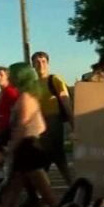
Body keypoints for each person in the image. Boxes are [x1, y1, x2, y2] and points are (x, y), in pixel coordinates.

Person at [0, 62, 58, 207]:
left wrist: (9, 149)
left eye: (13, 73)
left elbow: (22, 127)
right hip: (26, 150)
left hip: (29, 149)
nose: (10, 76)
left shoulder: (26, 98)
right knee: (12, 193)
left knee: (45, 193)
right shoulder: (25, 96)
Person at [31, 51, 74, 186]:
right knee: (44, 160)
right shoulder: (33, 84)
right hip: (39, 125)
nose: (40, 65)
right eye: (37, 62)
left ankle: (74, 191)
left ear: (48, 63)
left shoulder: (55, 79)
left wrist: (75, 126)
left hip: (53, 122)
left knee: (55, 158)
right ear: (33, 65)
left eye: (43, 61)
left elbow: (66, 103)